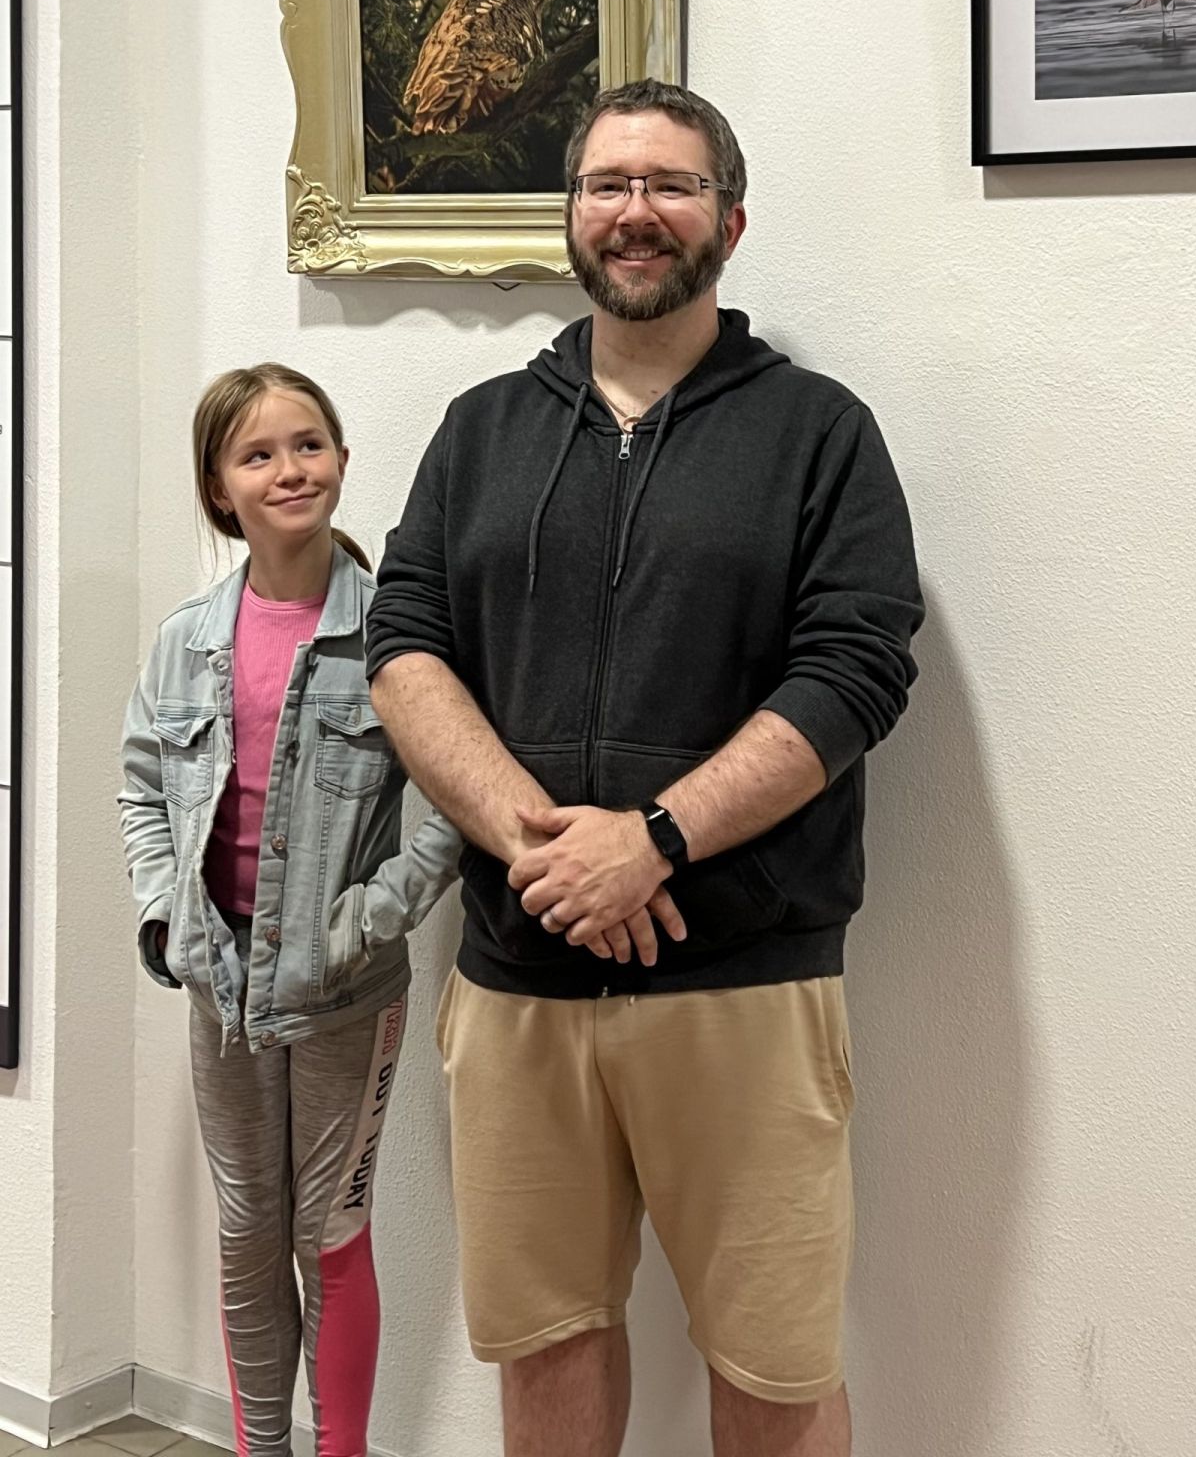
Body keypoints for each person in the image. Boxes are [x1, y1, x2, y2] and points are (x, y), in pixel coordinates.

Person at [367, 80, 923, 1457]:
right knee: (544, 1350)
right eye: (608, 183)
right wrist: (537, 843)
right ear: (569, 217)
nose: (636, 211)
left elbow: (856, 668)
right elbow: (404, 639)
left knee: (776, 1368)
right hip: (520, 973)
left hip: (742, 975)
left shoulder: (819, 432)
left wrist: (655, 841)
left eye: (670, 184)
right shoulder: (482, 427)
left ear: (728, 218)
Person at [118, 363, 462, 1457]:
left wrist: (377, 911)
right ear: (221, 487)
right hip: (218, 992)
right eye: (257, 454)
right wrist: (168, 916)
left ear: (345, 462)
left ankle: (340, 1449)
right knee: (247, 1232)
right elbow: (140, 786)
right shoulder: (187, 640)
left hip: (343, 996)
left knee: (330, 1231)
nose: (288, 470)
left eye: (308, 444)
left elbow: (458, 797)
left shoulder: (394, 640)